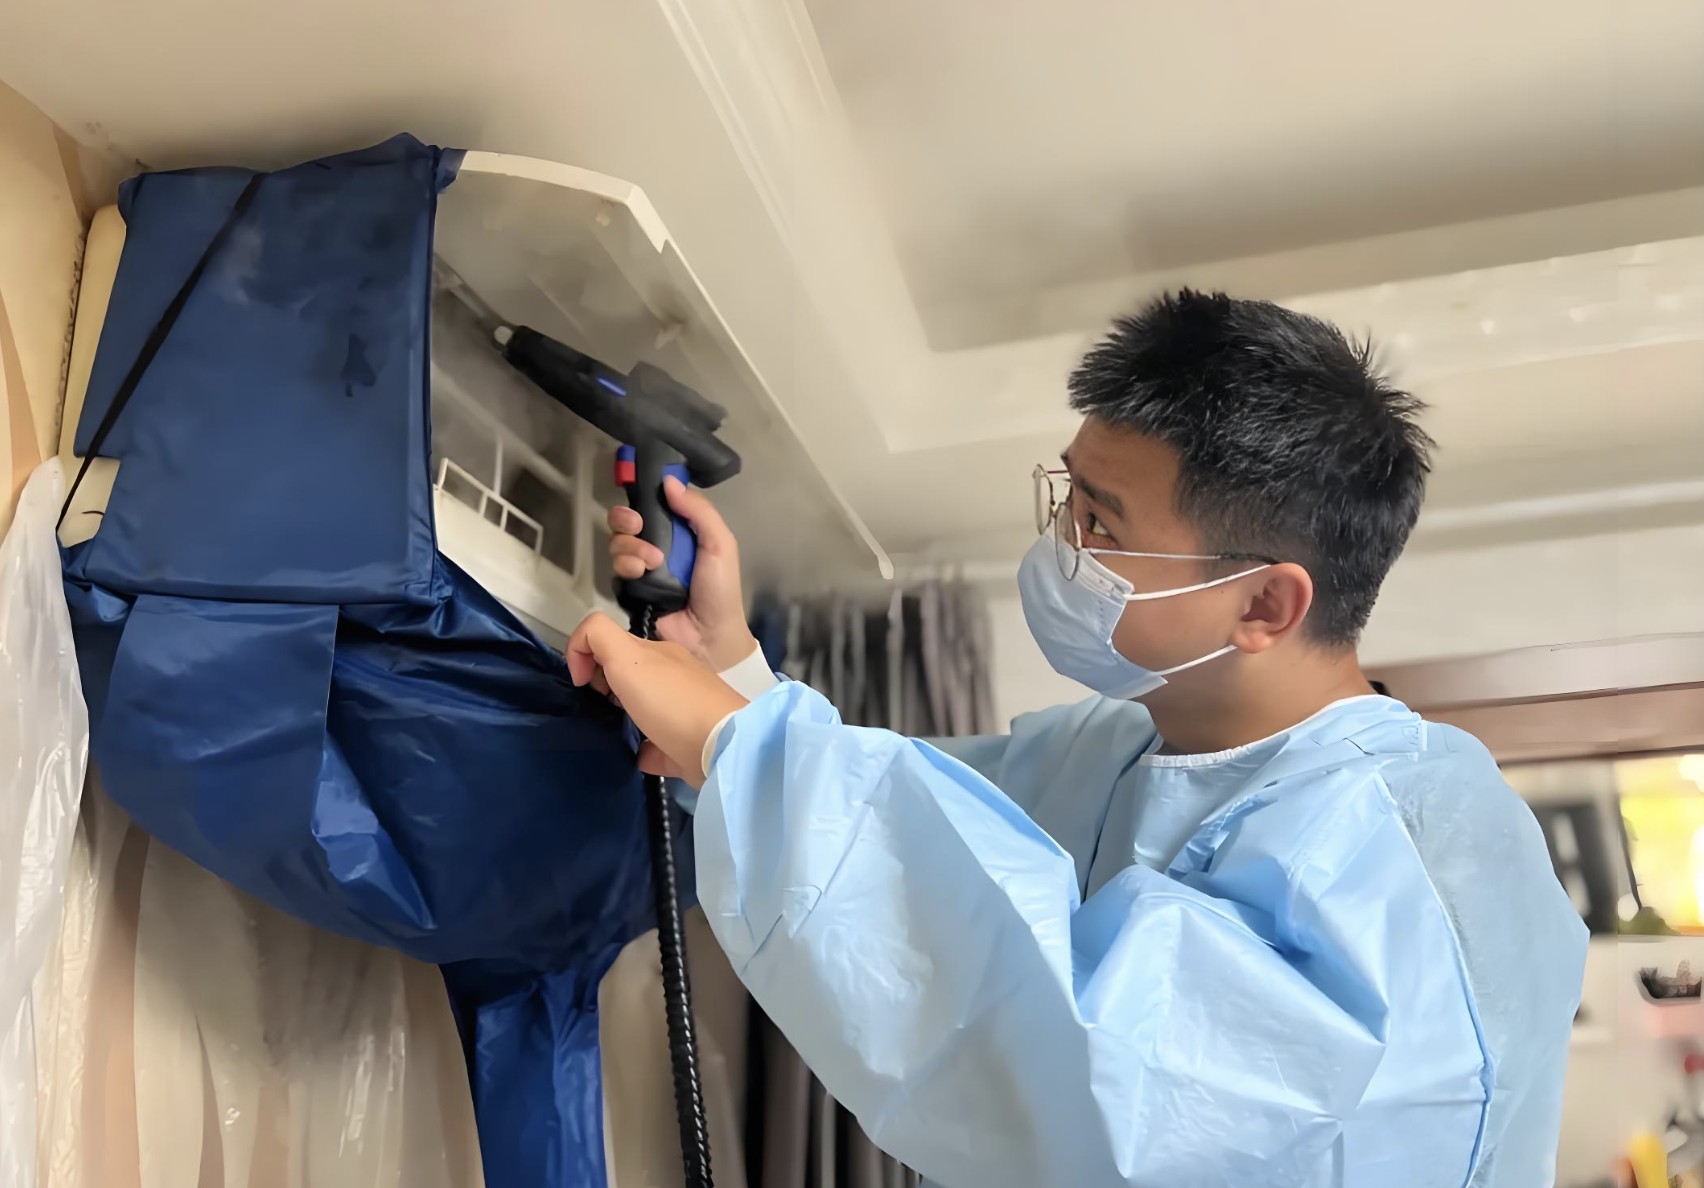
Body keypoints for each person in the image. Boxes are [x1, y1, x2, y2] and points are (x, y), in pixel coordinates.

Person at [567, 291, 1587, 1188]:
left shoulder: (1419, 858)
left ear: (1264, 604)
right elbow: (913, 835)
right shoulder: (1114, 753)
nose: (1062, 546)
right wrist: (734, 675)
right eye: (1066, 498)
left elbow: (1095, 1087)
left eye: (1101, 526)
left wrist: (742, 741)